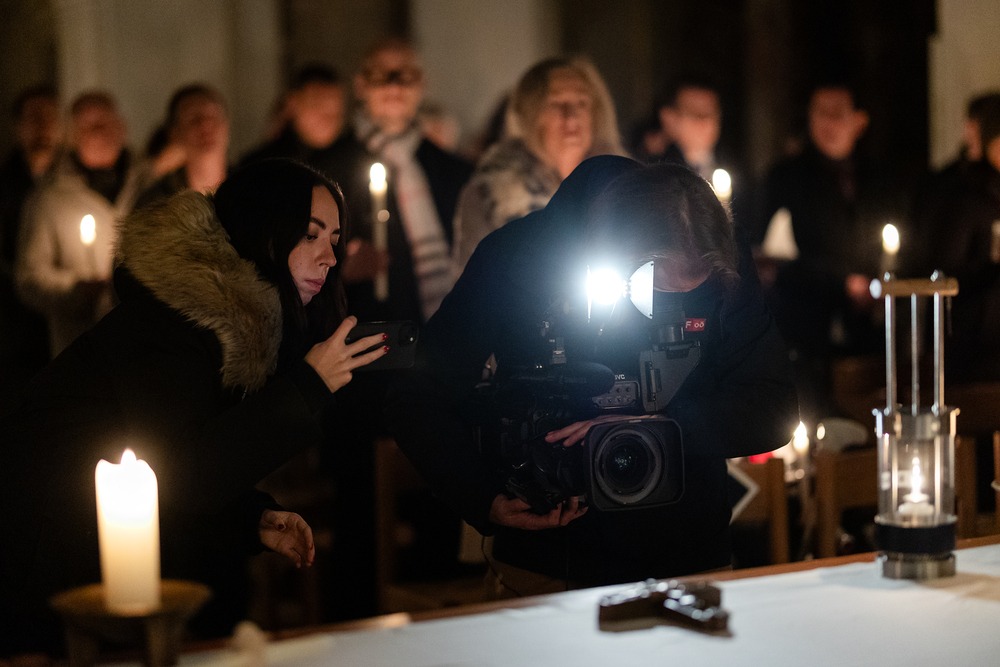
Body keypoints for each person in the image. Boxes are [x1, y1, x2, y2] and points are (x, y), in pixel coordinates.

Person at [0, 159, 390, 656]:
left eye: (334, 239)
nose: (329, 257)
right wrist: (307, 387)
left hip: (94, 545)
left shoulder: (236, 326)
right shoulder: (170, 323)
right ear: (264, 230)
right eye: (311, 235)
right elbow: (181, 470)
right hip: (46, 552)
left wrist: (250, 519)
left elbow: (180, 463)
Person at [387, 157, 798, 595]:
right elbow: (417, 393)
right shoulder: (520, 258)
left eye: (695, 290)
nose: (678, 304)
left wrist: (659, 428)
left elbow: (773, 408)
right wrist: (482, 498)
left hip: (688, 556)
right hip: (549, 558)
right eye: (662, 287)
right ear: (614, 254)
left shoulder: (721, 256)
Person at [755, 81, 901, 421]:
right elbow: (771, 256)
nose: (829, 123)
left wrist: (879, 284)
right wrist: (842, 284)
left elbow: (896, 243)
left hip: (868, 330)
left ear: (859, 121)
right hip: (805, 329)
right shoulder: (785, 178)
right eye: (820, 113)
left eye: (838, 113)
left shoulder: (881, 179)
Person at [326, 37, 473, 324]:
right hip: (370, 331)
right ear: (361, 84)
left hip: (449, 328)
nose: (394, 87)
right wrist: (339, 270)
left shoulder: (453, 170)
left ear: (422, 85)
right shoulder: (328, 170)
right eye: (381, 75)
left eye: (406, 76)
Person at [450, 56, 625, 277]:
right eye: (556, 104)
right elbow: (470, 285)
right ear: (530, 115)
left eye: (581, 103)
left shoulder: (623, 185)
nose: (571, 116)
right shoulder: (490, 195)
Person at [16, 91, 146, 357]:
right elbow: (29, 277)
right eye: (88, 126)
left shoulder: (148, 185)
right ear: (72, 136)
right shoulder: (49, 198)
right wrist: (77, 290)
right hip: (81, 348)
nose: (98, 133)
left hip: (145, 345)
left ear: (122, 127)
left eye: (104, 123)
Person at [0, 86, 61, 415]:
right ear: (18, 126)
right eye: (34, 117)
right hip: (14, 326)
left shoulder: (71, 183)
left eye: (50, 117)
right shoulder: (5, 185)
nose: (43, 126)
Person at [239, 63, 348, 174]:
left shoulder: (348, 163)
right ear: (292, 103)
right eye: (318, 105)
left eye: (337, 109)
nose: (328, 118)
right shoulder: (262, 166)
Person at [136, 84, 229, 208]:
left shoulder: (248, 186)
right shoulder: (159, 202)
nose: (205, 125)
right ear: (174, 134)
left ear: (226, 125)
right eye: (193, 119)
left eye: (212, 116)